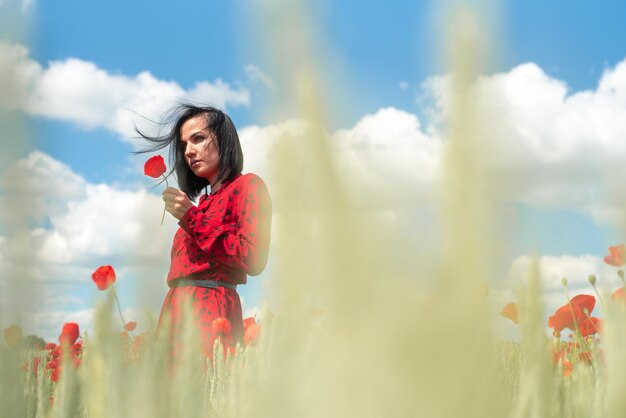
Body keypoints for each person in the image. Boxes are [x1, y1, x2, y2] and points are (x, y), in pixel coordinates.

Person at [137, 103, 272, 356]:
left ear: (224, 139)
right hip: (175, 310)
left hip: (211, 309)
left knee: (204, 390)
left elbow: (253, 258)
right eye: (184, 145)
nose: (189, 151)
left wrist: (191, 218)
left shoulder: (248, 186)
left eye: (198, 139)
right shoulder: (204, 203)